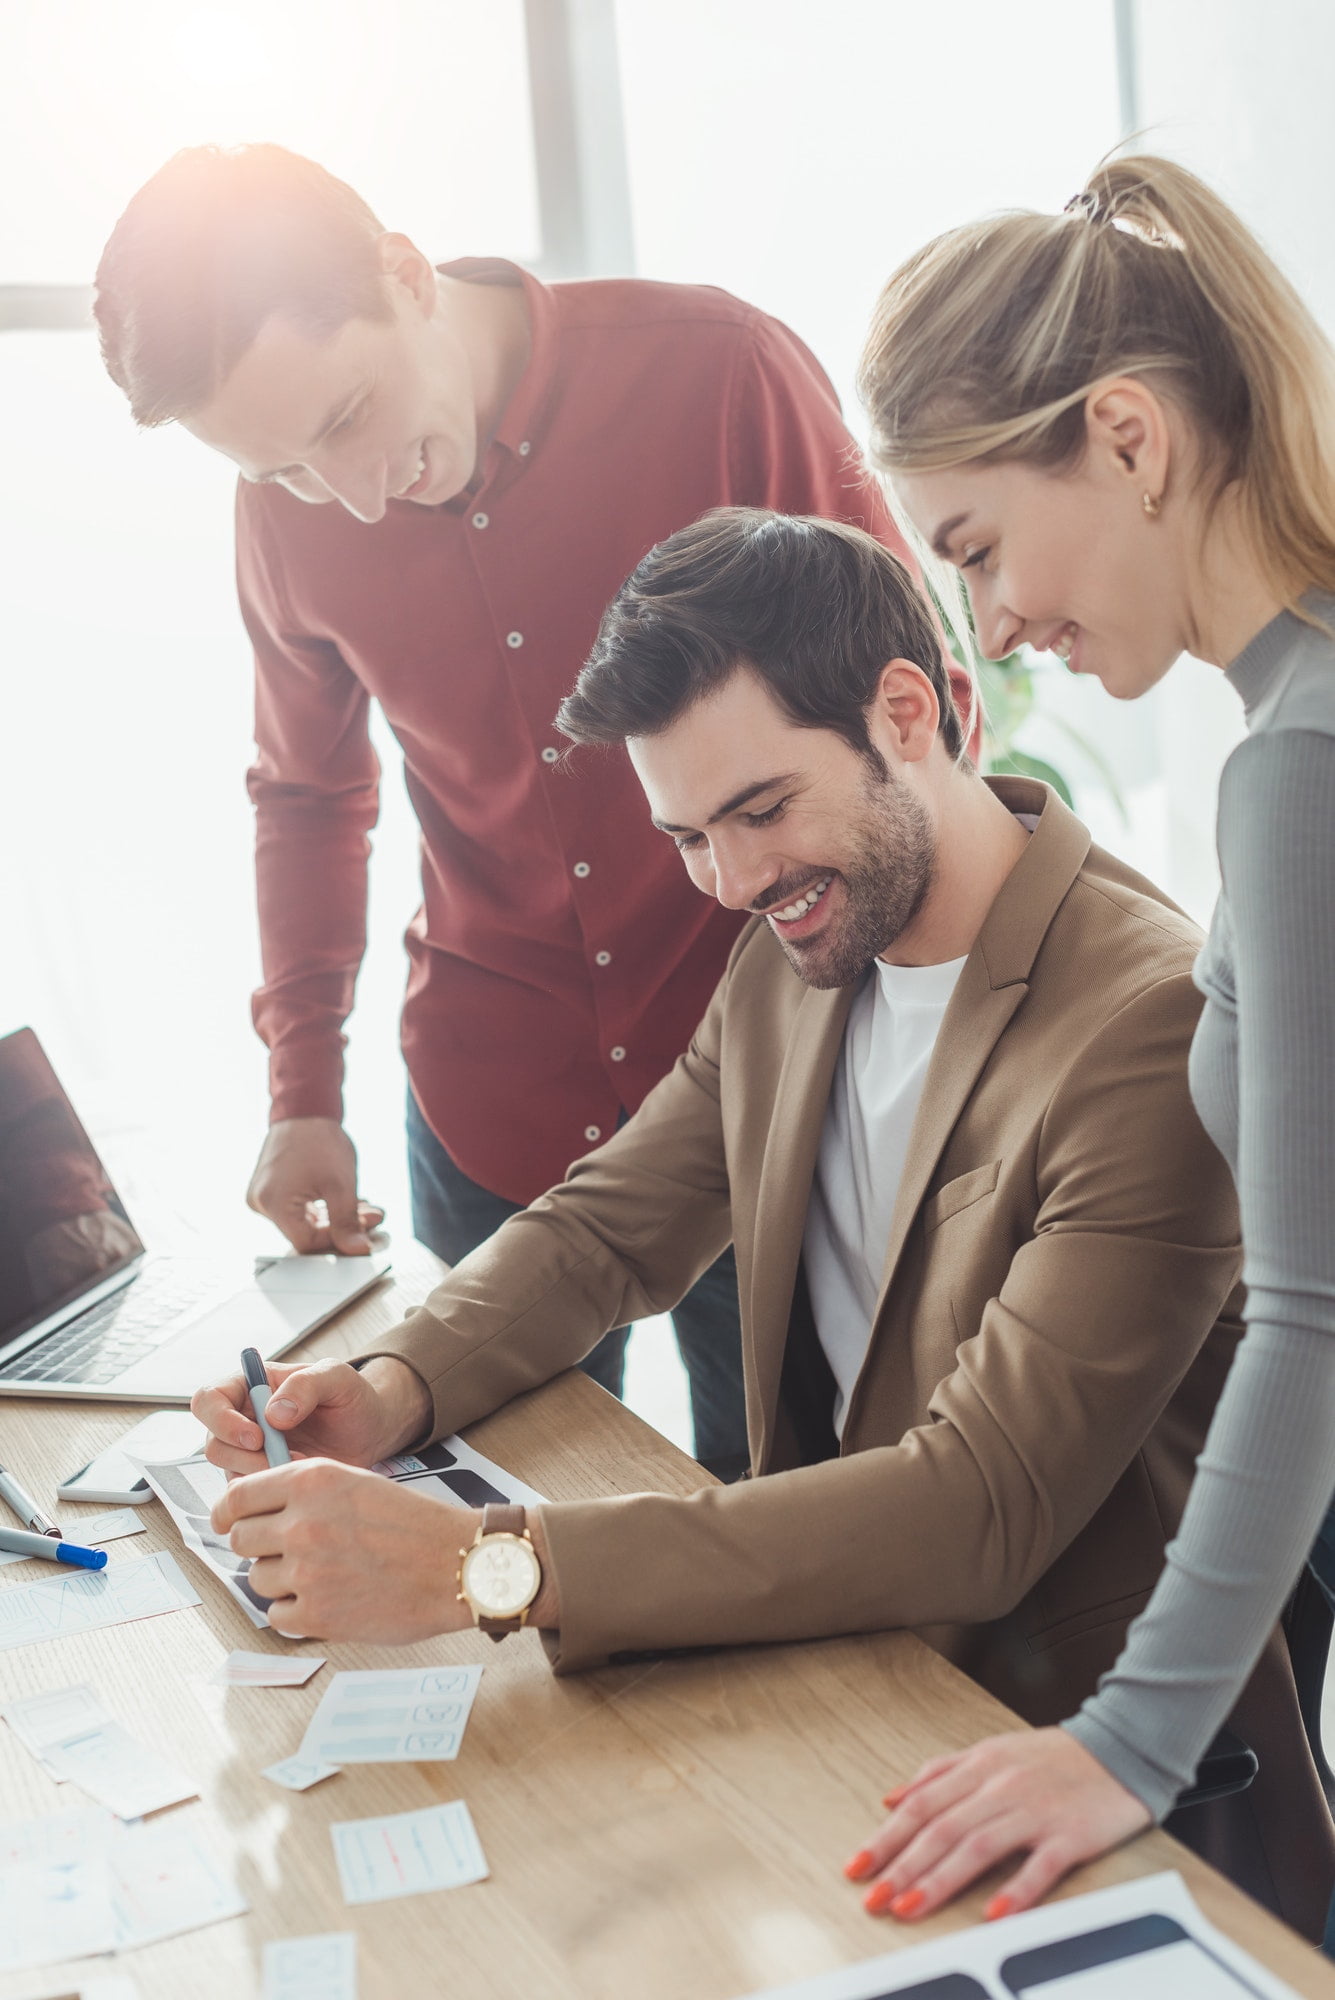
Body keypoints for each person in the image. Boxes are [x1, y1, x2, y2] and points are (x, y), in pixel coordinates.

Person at [193, 508, 1324, 1908]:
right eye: (688, 837)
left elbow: (978, 1506)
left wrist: (493, 1567)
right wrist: (388, 1385)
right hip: (839, 1688)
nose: (730, 881)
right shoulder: (802, 947)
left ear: (905, 713)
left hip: (1071, 1773)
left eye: (761, 810)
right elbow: (611, 1227)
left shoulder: (1145, 1018)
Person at [92, 145, 953, 1482]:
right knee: (476, 1551)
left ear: (402, 275)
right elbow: (310, 790)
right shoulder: (284, 509)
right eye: (289, 473)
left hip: (771, 1095)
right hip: (493, 1107)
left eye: (342, 423)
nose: (354, 498)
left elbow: (921, 707)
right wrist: (302, 1089)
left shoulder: (718, 370)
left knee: (783, 1535)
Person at [843, 153, 1335, 1942]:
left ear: (1126, 437)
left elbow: (1315, 1313)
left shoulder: (1302, 761)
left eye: (974, 549)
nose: (990, 630)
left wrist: (1128, 1745)